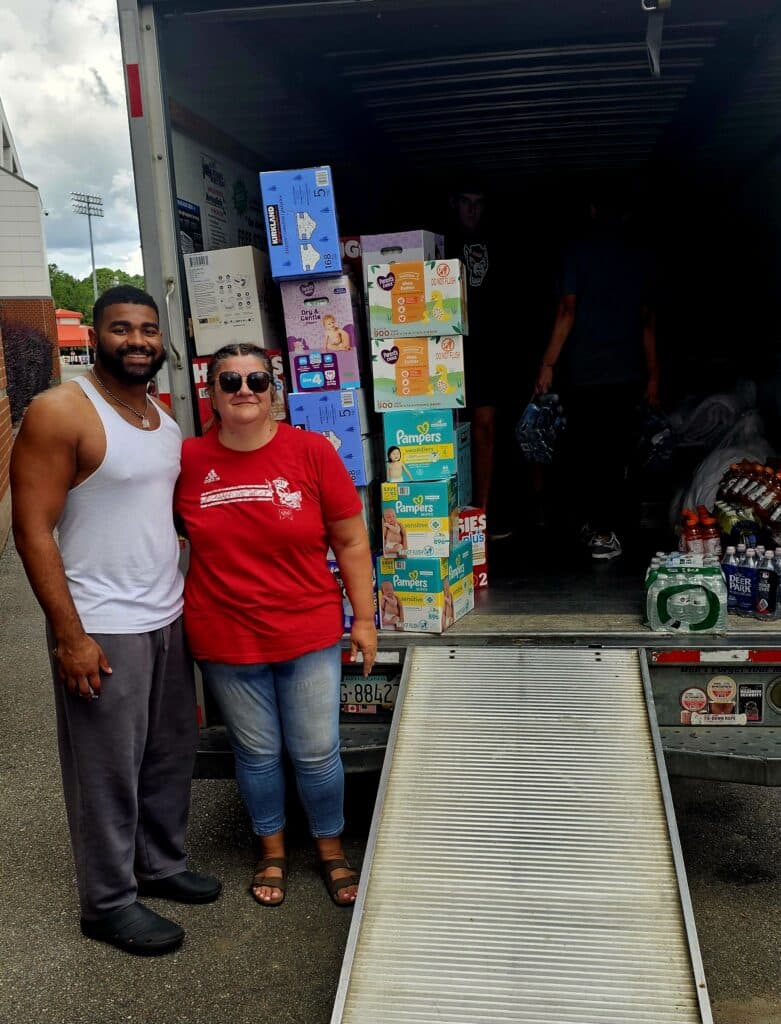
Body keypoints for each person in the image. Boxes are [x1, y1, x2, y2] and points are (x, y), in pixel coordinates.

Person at [10, 285, 220, 956]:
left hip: (165, 614)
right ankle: (106, 902)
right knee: (106, 770)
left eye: (148, 330)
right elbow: (31, 530)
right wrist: (70, 638)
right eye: (122, 328)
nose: (138, 340)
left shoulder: (161, 417)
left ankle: (158, 864)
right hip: (100, 624)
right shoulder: (60, 411)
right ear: (96, 336)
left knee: (167, 756)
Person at [175, 343, 377, 908]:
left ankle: (331, 849)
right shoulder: (187, 460)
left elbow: (352, 540)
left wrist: (364, 619)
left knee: (316, 752)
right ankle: (272, 852)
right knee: (257, 753)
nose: (245, 390)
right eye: (230, 381)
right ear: (210, 393)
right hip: (224, 635)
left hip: (306, 631)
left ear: (274, 392)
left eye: (257, 381)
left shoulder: (311, 452)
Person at [535, 191, 660, 560]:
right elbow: (647, 320)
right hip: (627, 371)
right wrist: (654, 375)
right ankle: (614, 529)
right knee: (619, 452)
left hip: (585, 372)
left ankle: (599, 530)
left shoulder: (577, 251)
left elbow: (567, 310)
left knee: (586, 454)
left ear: (591, 209)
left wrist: (547, 364)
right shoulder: (639, 254)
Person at [445, 185, 512, 539]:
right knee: (448, 431)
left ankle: (480, 516)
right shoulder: (439, 242)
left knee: (485, 427)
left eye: (479, 204)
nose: (472, 212)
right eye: (466, 203)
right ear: (454, 203)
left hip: (486, 349)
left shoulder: (497, 243)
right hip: (445, 348)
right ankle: (450, 511)